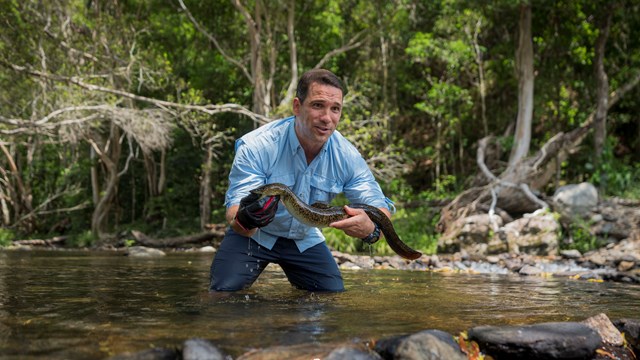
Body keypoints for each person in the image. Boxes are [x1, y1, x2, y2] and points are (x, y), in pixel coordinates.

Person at [209, 69, 392, 292]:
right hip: (257, 236)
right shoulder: (257, 146)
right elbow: (235, 214)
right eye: (317, 105)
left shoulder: (348, 156)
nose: (327, 118)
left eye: (335, 109)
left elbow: (381, 212)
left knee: (331, 296)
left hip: (305, 238)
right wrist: (247, 220)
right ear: (297, 106)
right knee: (223, 295)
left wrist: (371, 230)